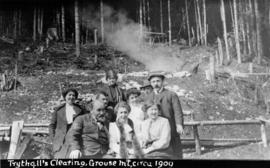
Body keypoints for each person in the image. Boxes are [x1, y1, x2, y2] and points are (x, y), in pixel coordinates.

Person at [145, 71, 184, 159]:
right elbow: (146, 113)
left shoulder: (171, 95)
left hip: (171, 125)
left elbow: (178, 111)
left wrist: (179, 124)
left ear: (162, 82)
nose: (156, 84)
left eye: (158, 81)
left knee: (175, 151)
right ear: (150, 83)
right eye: (153, 82)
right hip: (155, 128)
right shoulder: (149, 97)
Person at [49, 88, 85, 158]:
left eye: (73, 95)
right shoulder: (58, 110)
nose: (71, 97)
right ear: (65, 96)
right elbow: (52, 125)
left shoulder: (81, 110)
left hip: (74, 141)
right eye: (69, 95)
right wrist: (53, 139)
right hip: (60, 142)